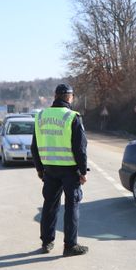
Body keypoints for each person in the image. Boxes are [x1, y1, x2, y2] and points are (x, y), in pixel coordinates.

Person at [31, 83, 89, 257]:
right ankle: (70, 246)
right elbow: (80, 148)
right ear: (70, 97)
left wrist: (40, 169)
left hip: (49, 169)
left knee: (49, 205)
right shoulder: (72, 117)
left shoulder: (40, 116)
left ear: (55, 96)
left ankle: (47, 242)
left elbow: (35, 146)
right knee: (72, 206)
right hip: (70, 170)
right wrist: (83, 171)